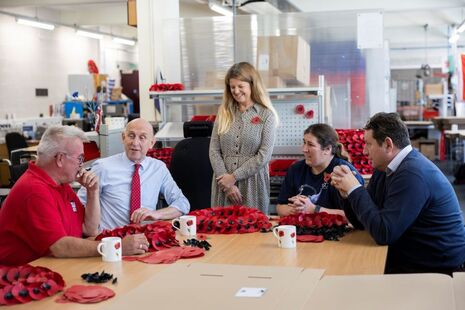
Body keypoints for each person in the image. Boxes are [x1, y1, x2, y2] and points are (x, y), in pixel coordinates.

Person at [331, 112, 465, 275]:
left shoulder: (412, 174)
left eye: (368, 144)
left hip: (435, 267)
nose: (365, 151)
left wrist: (355, 189)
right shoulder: (384, 168)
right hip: (411, 256)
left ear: (388, 144)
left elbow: (384, 234)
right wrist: (347, 194)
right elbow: (364, 223)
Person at [0, 125, 148, 266]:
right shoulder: (34, 191)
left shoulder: (61, 184)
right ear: (60, 159)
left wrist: (92, 191)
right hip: (23, 278)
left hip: (58, 265)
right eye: (80, 159)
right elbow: (59, 247)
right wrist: (116, 247)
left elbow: (89, 229)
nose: (81, 165)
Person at [78, 118, 190, 230]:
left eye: (142, 137)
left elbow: (182, 203)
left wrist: (157, 214)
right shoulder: (102, 167)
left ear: (152, 143)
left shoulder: (158, 168)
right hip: (113, 240)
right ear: (123, 138)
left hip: (144, 240)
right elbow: (79, 204)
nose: (135, 143)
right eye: (131, 136)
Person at [209, 62, 278, 214]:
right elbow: (214, 150)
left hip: (252, 183)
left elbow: (264, 155)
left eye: (241, 86)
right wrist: (226, 182)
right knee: (222, 229)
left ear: (252, 85)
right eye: (232, 87)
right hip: (223, 184)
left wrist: (234, 177)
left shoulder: (266, 115)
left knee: (253, 231)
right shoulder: (224, 113)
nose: (236, 91)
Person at [277, 123, 364, 217]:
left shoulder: (344, 172)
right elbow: (280, 207)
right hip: (305, 229)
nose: (304, 149)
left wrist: (314, 209)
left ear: (327, 149)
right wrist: (297, 208)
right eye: (304, 143)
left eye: (310, 144)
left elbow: (358, 216)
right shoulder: (296, 169)